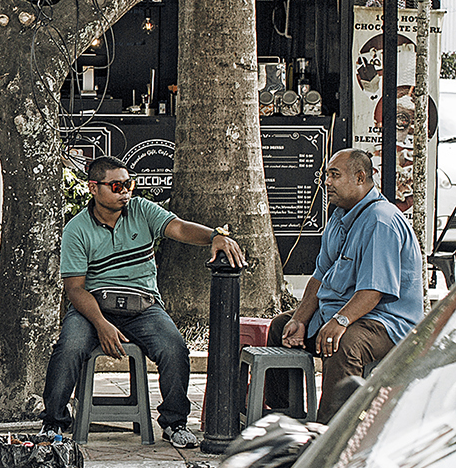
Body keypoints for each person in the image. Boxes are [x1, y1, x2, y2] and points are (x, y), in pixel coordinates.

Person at [42, 155, 247, 449]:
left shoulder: (141, 210)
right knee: (69, 346)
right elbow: (74, 289)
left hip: (143, 306)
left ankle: (174, 423)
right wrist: (101, 324)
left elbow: (178, 228)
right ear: (93, 188)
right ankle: (53, 423)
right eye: (116, 185)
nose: (125, 191)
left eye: (129, 184)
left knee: (174, 347)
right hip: (94, 307)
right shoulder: (77, 228)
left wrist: (214, 236)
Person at [269, 148, 421, 422]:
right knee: (282, 327)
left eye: (335, 175)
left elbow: (372, 292)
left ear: (360, 177)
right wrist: (301, 319)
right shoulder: (339, 216)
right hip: (346, 311)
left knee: (341, 343)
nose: (327, 182)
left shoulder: (380, 220)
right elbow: (320, 275)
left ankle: (332, 437)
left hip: (387, 322)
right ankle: (284, 420)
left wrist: (340, 320)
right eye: (327, 175)